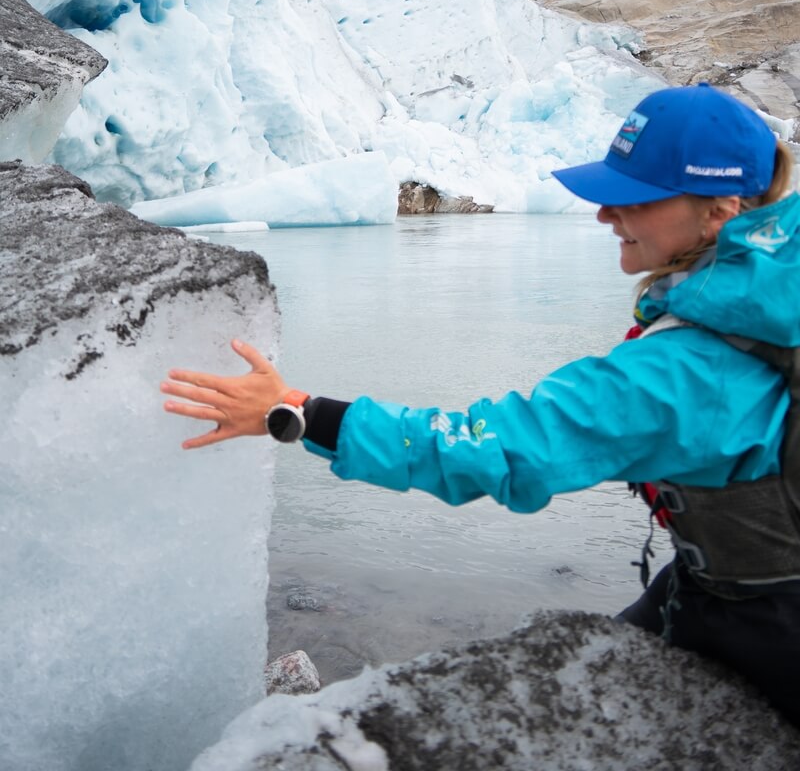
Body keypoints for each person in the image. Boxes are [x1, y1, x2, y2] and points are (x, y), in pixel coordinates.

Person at [161, 83, 800, 725]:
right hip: (724, 584)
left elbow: (493, 447)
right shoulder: (773, 291)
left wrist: (297, 411)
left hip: (767, 619)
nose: (605, 215)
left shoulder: (684, 370)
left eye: (632, 197)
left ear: (719, 210)